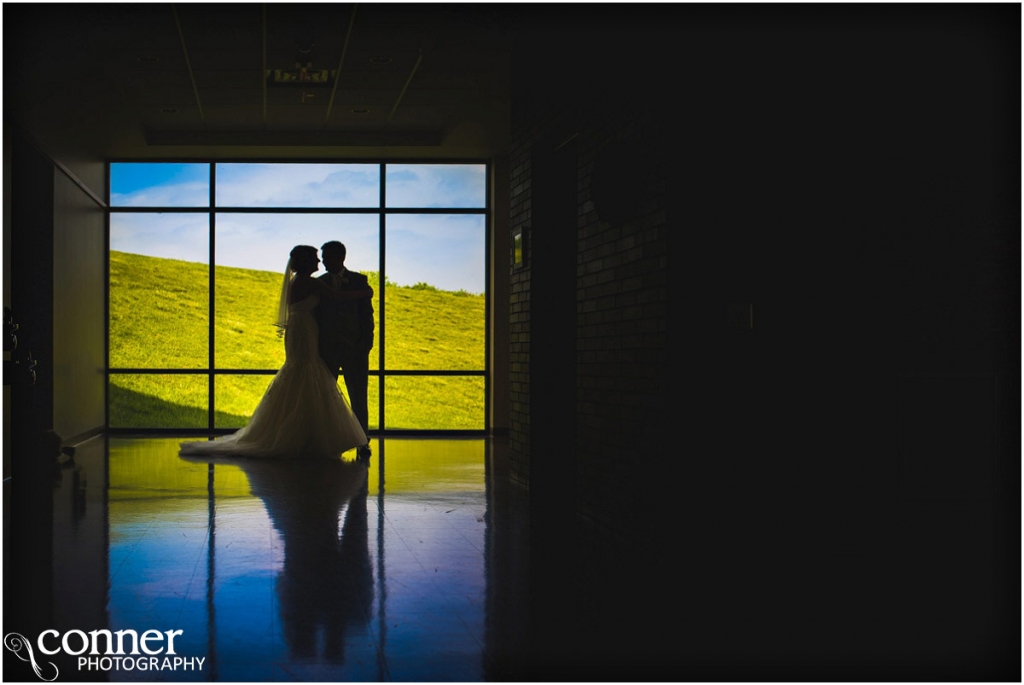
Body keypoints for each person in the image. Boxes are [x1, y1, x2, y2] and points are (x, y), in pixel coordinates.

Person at [179, 245, 372, 458]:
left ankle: (310, 436)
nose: (320, 262)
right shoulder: (311, 282)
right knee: (308, 375)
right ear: (308, 263)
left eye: (323, 258)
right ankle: (311, 438)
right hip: (307, 334)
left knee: (302, 376)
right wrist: (366, 292)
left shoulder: (298, 282)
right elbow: (336, 297)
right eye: (318, 259)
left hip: (301, 331)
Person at [315, 241, 374, 459]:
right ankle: (328, 441)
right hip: (328, 351)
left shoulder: (359, 280)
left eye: (327, 256)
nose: (323, 261)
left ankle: (362, 441)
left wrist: (365, 345)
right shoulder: (319, 283)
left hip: (355, 350)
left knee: (359, 397)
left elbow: (367, 317)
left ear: (340, 257)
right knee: (326, 398)